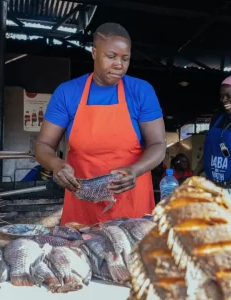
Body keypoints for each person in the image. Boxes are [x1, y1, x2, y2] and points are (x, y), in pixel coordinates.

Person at [34, 23, 166, 225]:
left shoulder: (141, 91)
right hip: (82, 200)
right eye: (111, 56)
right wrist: (56, 164)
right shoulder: (68, 92)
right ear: (94, 53)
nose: (119, 65)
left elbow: (158, 144)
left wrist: (135, 170)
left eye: (125, 58)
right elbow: (43, 145)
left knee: (130, 254)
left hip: (130, 198)